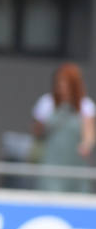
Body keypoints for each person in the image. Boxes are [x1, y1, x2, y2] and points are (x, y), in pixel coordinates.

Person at [31, 62, 95, 193]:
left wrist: (85, 146)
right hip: (51, 160)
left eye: (65, 82)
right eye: (59, 81)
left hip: (74, 162)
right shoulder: (47, 103)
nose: (61, 86)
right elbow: (36, 132)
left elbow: (89, 134)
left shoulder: (85, 105)